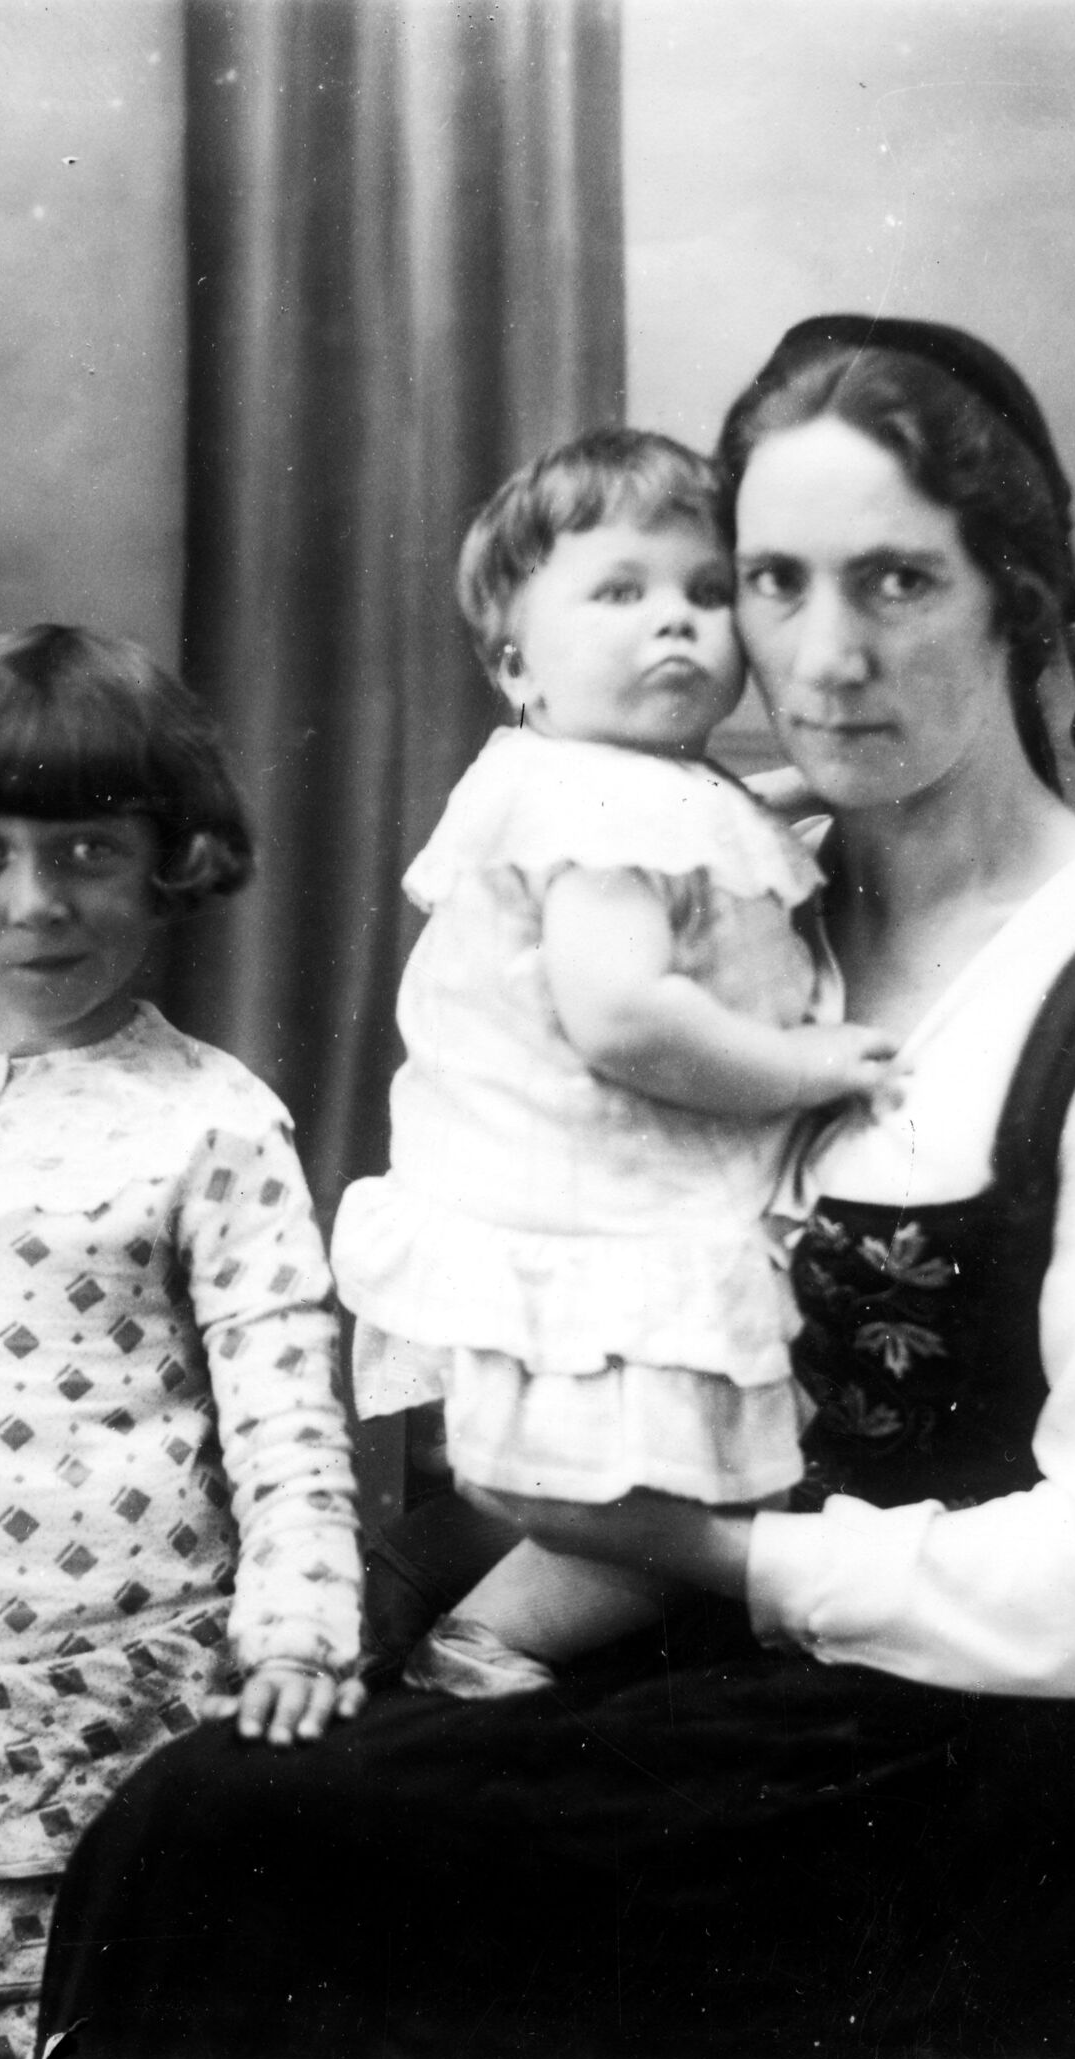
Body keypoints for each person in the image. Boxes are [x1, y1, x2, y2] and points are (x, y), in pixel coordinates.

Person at [35, 315, 1075, 2059]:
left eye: (897, 582)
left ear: (1024, 600)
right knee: (210, 1801)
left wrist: (710, 1551)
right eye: (773, 581)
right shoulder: (731, 877)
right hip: (686, 1650)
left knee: (248, 1855)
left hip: (939, 1769)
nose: (823, 656)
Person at [0, 625, 363, 2059]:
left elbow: (288, 1414)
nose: (35, 903)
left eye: (90, 853)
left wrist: (299, 1628)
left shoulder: (212, 1119)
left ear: (170, 860)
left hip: (125, 1703)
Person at [330, 428, 896, 1699]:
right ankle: (493, 1642)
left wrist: (801, 789)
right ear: (515, 661)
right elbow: (628, 1017)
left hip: (560, 1207)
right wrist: (806, 1067)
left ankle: (479, 1617)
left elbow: (714, 824)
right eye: (622, 592)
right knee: (701, 1493)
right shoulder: (603, 809)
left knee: (644, 1483)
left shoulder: (596, 778)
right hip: (603, 1227)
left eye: (707, 592)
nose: (677, 621)